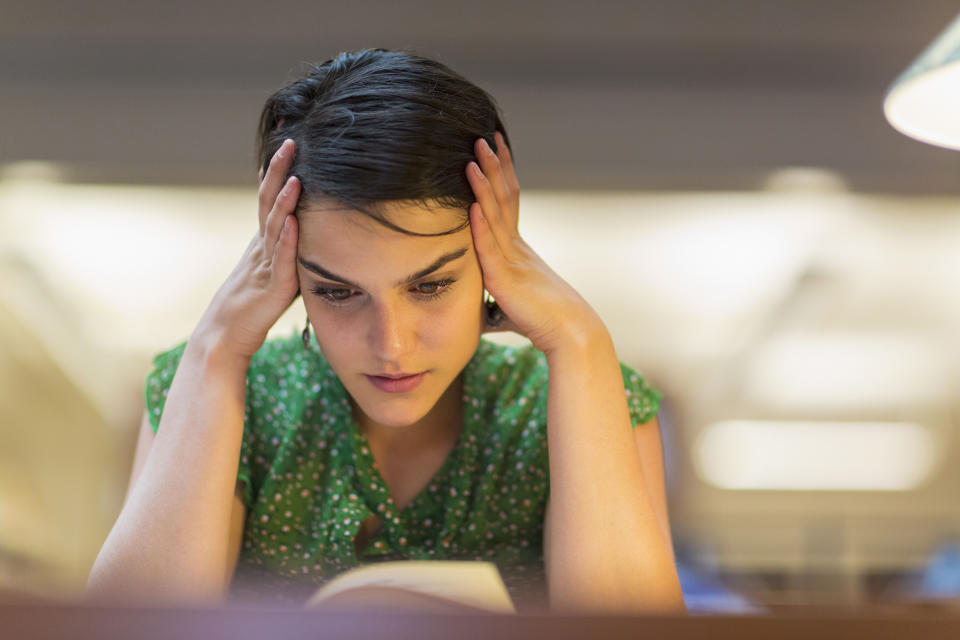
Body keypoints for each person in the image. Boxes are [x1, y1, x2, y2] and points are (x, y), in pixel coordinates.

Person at [85, 49, 683, 613]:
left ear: (492, 257)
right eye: (337, 293)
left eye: (430, 286)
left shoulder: (581, 395)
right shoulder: (227, 394)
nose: (391, 345)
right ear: (290, 276)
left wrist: (579, 340)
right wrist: (217, 346)